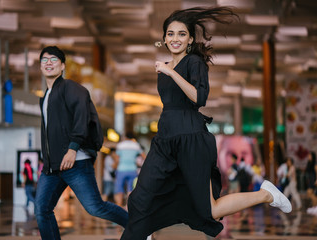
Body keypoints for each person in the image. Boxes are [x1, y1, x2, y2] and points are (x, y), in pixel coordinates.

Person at [120, 7, 292, 240]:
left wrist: (171, 73)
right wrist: (168, 71)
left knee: (209, 210)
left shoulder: (193, 63)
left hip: (191, 139)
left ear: (190, 39)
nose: (175, 39)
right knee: (139, 198)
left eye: (182, 34)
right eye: (170, 34)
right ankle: (142, 233)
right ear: (164, 38)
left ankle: (266, 195)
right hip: (165, 140)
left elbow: (199, 98)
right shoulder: (165, 70)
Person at [34, 46, 128, 240]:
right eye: (44, 60)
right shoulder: (45, 97)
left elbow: (82, 117)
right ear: (40, 66)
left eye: (53, 59)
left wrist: (73, 148)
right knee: (42, 210)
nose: (48, 63)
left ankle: (140, 228)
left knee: (95, 207)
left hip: (75, 162)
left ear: (62, 66)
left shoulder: (72, 88)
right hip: (52, 167)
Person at [114, 132, 143, 207]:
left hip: (121, 169)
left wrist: (115, 166)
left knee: (119, 189)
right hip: (132, 170)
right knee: (131, 189)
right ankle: (129, 207)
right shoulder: (136, 145)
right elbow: (144, 156)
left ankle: (119, 207)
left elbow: (117, 159)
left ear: (125, 137)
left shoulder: (121, 145)